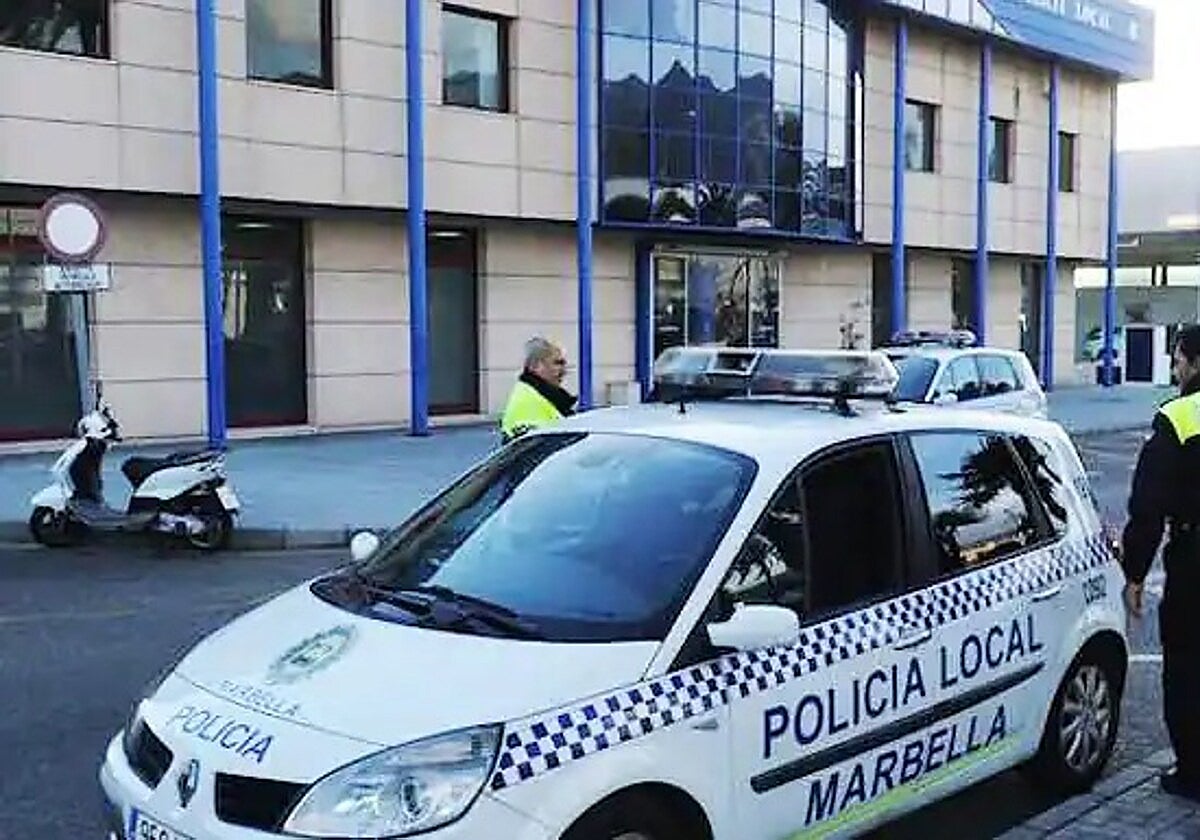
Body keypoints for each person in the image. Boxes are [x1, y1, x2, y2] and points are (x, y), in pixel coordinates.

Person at [1121, 323, 1200, 801]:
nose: (1175, 369)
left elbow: (1148, 506)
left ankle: (1193, 773)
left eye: (1178, 360)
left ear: (1195, 363)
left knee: (1188, 667)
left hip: (1195, 562)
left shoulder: (1179, 417)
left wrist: (1135, 573)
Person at [499, 337, 577, 443]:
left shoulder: (542, 394)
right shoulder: (527, 399)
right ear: (535, 366)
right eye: (558, 363)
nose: (564, 371)